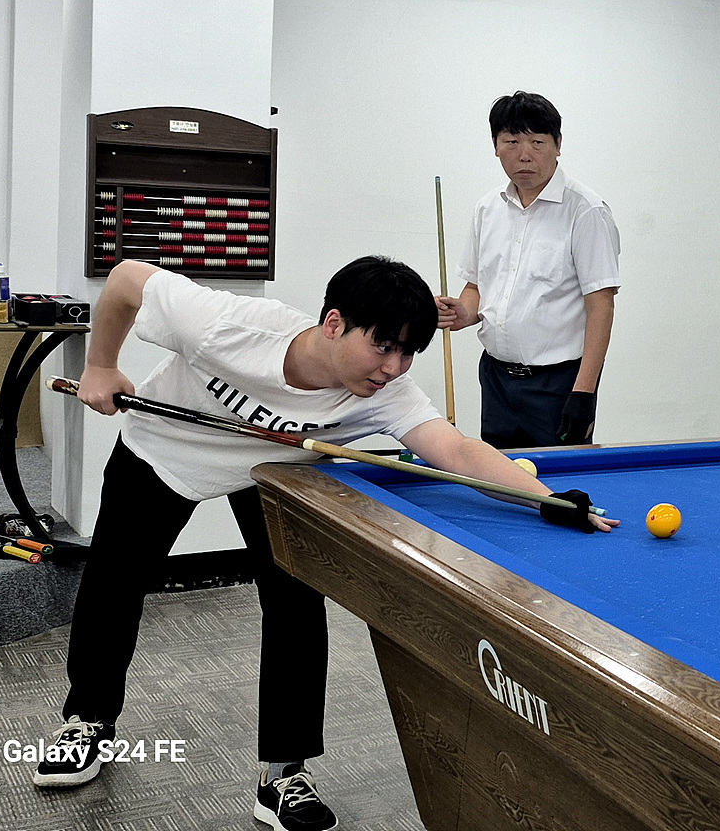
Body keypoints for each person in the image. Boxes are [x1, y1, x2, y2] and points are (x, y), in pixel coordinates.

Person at [33, 256, 615, 831]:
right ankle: (88, 721)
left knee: (296, 603)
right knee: (114, 584)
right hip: (165, 447)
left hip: (275, 470)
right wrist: (101, 366)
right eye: (382, 346)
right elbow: (125, 279)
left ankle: (284, 772)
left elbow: (458, 452)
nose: (393, 367)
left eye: (408, 352)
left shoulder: (385, 393)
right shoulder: (226, 324)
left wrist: (549, 500)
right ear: (335, 323)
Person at [437, 91, 622, 449]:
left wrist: (584, 392)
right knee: (500, 475)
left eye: (537, 142)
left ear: (558, 145)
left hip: (558, 384)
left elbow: (601, 306)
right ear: (496, 146)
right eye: (512, 142)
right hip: (496, 378)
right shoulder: (487, 209)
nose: (524, 154)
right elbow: (476, 287)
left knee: (561, 479)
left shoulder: (586, 211)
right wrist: (462, 312)